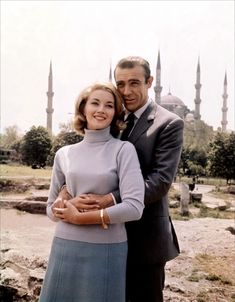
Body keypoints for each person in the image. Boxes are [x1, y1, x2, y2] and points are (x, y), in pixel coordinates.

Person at [59, 56, 184, 302]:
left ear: (150, 82)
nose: (126, 91)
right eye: (120, 84)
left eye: (134, 83)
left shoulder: (168, 123)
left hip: (144, 238)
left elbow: (159, 181)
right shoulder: (112, 118)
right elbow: (87, 158)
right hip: (102, 235)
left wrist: (109, 199)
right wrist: (66, 188)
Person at [39, 82, 145, 302]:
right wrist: (65, 203)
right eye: (95, 103)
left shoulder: (123, 150)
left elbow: (134, 208)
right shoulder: (64, 154)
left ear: (115, 113)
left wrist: (80, 218)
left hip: (106, 248)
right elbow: (50, 211)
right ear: (83, 108)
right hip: (65, 245)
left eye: (109, 105)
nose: (101, 110)